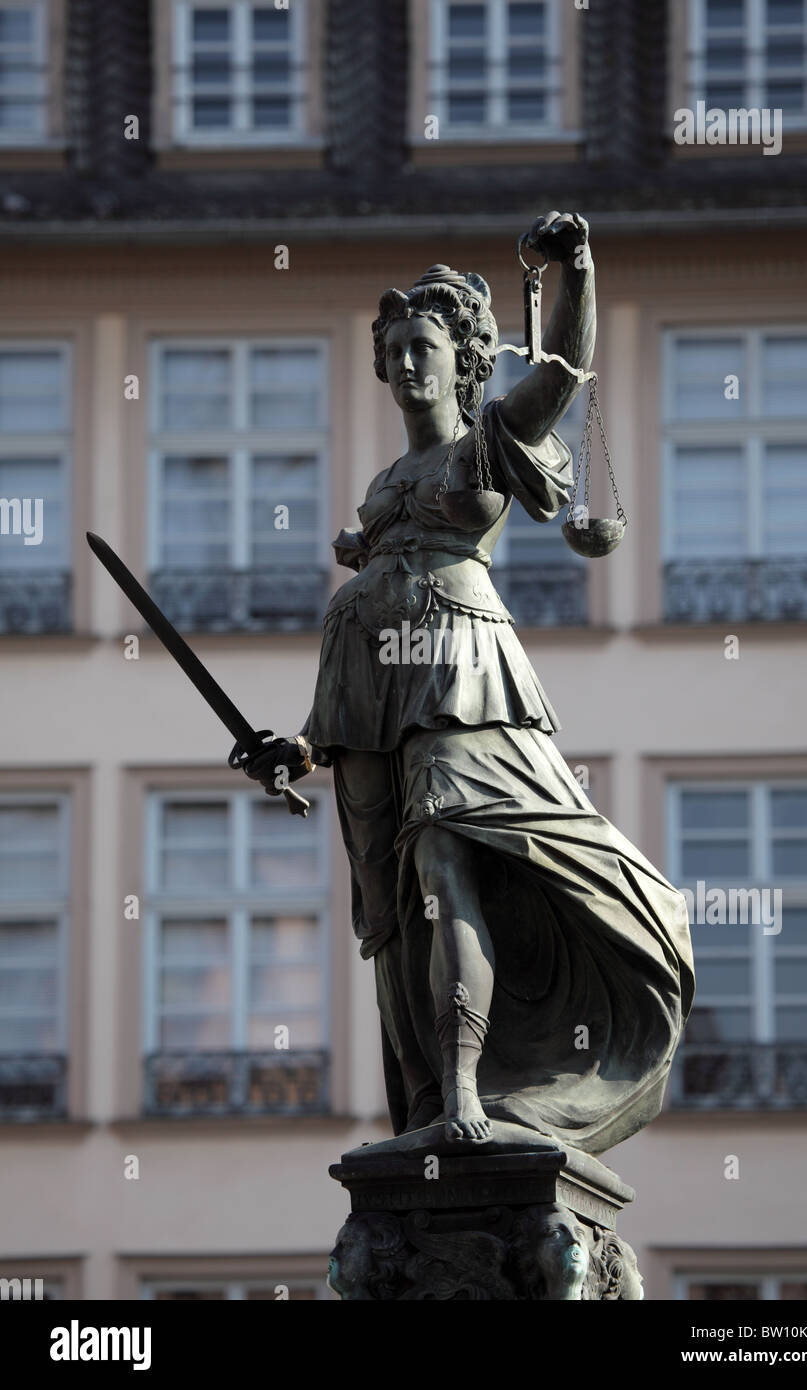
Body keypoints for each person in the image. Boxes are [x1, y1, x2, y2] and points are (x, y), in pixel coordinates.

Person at [234, 212, 694, 1150]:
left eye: (425, 348)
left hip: (459, 670)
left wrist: (578, 269)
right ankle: (424, 1113)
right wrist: (304, 745)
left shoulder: (487, 442)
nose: (408, 365)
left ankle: (468, 1095)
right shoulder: (385, 480)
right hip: (363, 685)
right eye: (395, 349)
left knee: (446, 866)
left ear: (465, 359)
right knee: (394, 917)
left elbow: (563, 372)